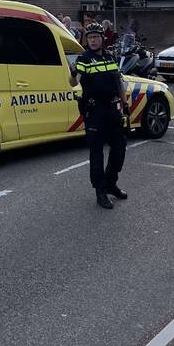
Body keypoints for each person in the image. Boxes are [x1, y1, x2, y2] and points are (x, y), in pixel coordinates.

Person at [69, 22, 128, 210]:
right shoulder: (84, 59)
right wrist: (72, 73)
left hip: (112, 109)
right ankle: (100, 191)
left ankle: (111, 183)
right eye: (90, 37)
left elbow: (118, 80)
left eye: (96, 37)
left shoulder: (110, 57)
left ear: (102, 39)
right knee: (96, 153)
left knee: (119, 148)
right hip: (94, 111)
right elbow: (73, 82)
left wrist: (124, 103)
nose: (93, 40)